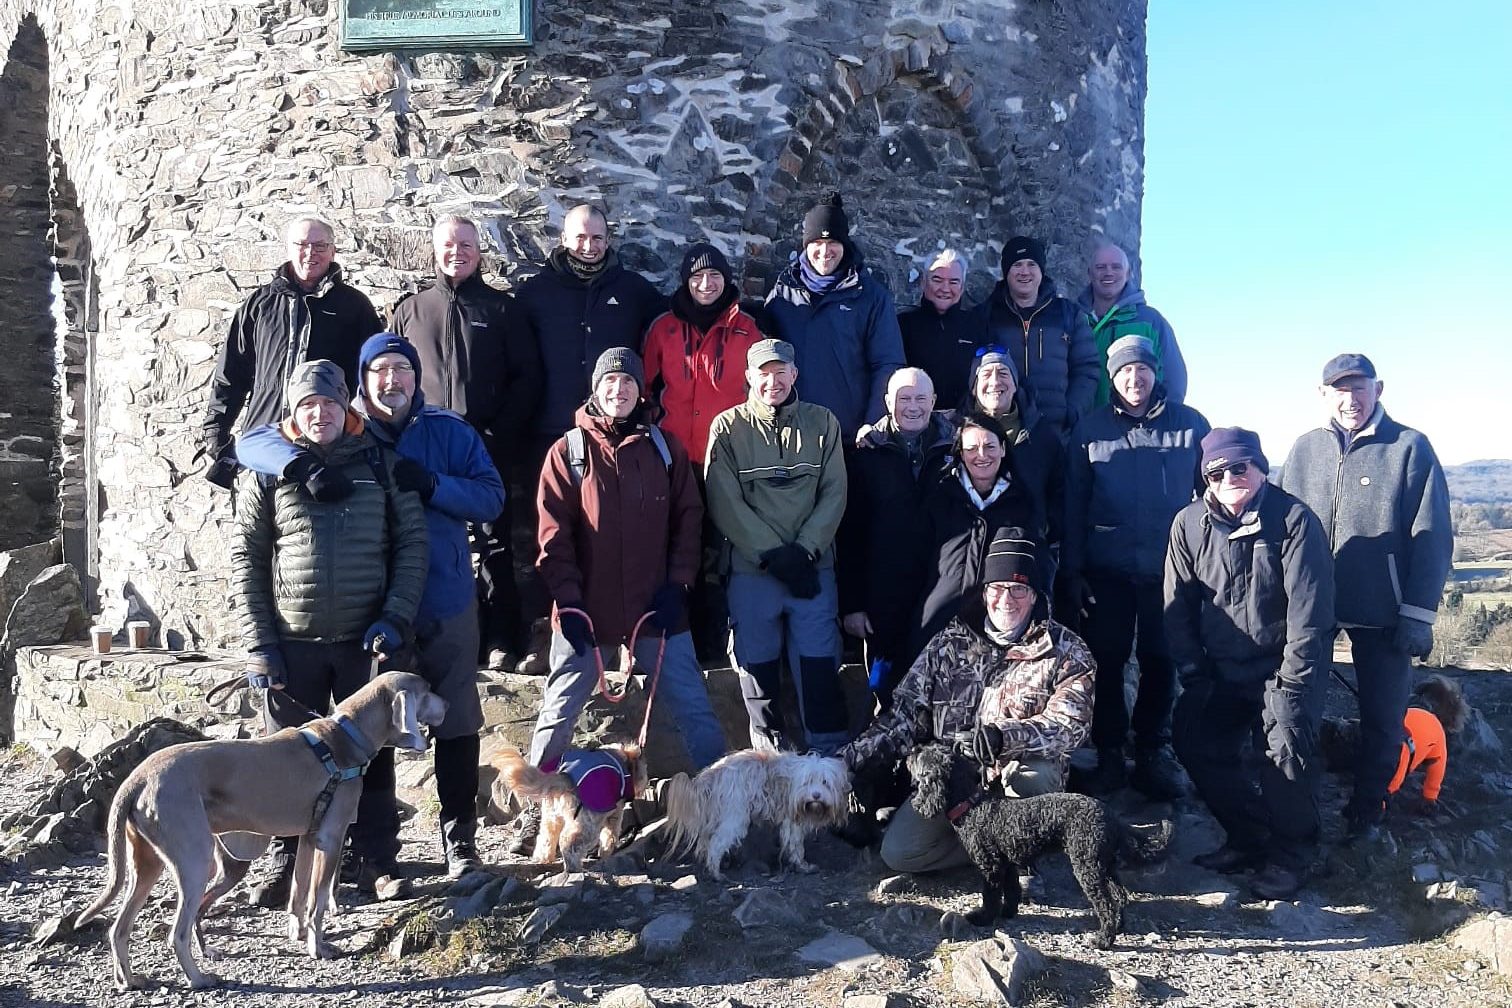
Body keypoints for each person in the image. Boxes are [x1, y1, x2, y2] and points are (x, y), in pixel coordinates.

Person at [237, 334, 506, 880]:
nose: (391, 380)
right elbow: (248, 444)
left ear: (416, 377)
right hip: (363, 614)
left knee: (450, 724)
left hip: (439, 599)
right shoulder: (336, 433)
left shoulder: (445, 434)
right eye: (379, 370)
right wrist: (295, 466)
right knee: (355, 734)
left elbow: (491, 500)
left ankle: (455, 845)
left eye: (401, 370)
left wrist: (434, 485)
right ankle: (330, 857)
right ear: (363, 382)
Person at [230, 359, 428, 906]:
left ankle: (376, 861)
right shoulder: (267, 473)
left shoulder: (382, 465)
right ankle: (287, 863)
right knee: (284, 761)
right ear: (293, 412)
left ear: (348, 408)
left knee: (375, 754)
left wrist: (395, 615)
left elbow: (412, 545)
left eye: (331, 404)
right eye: (308, 406)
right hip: (292, 643)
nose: (321, 414)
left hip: (367, 640)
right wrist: (259, 643)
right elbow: (246, 558)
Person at [514, 347, 728, 849]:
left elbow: (688, 522)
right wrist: (567, 602)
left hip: (657, 610)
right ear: (595, 389)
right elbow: (552, 536)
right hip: (585, 610)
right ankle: (534, 810)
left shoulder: (665, 449)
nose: (619, 391)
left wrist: (679, 586)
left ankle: (721, 800)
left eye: (628, 383)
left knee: (692, 704)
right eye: (610, 383)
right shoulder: (567, 451)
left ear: (640, 391)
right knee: (559, 707)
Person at [841, 529, 1095, 873]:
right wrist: (845, 763)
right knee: (901, 853)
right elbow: (904, 714)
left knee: (1032, 776)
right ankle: (993, 847)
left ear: (1035, 595)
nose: (1007, 599)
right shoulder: (949, 641)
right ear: (985, 591)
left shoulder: (1067, 650)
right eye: (998, 587)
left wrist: (1004, 737)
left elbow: (1069, 727)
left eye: (1019, 588)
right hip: (953, 777)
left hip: (1014, 775)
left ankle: (1021, 858)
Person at [1278, 353, 1452, 841]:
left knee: (1383, 716)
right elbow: (1281, 525)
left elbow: (1432, 533)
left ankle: (1368, 808)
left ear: (1378, 389)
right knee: (1298, 708)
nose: (1350, 399)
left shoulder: (1409, 447)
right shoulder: (1305, 449)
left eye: (1359, 388)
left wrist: (1418, 613)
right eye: (1339, 389)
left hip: (1384, 610)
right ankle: (1300, 807)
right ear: (1323, 395)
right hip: (1313, 604)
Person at [1166, 427, 1334, 900]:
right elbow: (1177, 606)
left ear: (1260, 468)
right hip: (1220, 667)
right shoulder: (1188, 524)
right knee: (1193, 740)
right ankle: (1248, 836)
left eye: (1240, 467)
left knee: (1285, 758)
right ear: (1206, 480)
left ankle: (1291, 856)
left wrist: (1292, 683)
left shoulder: (1294, 520)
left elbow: (1311, 612)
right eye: (1217, 471)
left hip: (1283, 668)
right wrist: (1194, 671)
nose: (1230, 477)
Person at [509, 204, 665, 674]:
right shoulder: (534, 294)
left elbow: (664, 344)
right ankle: (545, 630)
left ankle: (624, 634)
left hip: (615, 436)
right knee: (547, 537)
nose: (589, 247)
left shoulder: (634, 291)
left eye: (597, 238)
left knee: (613, 534)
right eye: (580, 238)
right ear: (563, 238)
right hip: (550, 431)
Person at [389, 215, 543, 672]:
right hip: (424, 452)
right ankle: (434, 641)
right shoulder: (410, 311)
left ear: (480, 251)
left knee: (497, 546)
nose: (457, 252)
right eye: (449, 245)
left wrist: (497, 434)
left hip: (487, 450)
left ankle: (499, 640)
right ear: (434, 250)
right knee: (426, 543)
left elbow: (527, 378)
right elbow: (391, 380)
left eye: (466, 245)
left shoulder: (502, 309)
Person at [1061, 335, 1210, 799]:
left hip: (1172, 571)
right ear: (1112, 376)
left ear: (1155, 372)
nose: (1134, 378)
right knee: (1105, 662)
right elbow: (1072, 504)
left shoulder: (1190, 426)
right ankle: (1108, 753)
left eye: (1142, 369)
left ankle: (1151, 750)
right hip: (1107, 570)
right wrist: (1073, 570)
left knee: (1161, 662)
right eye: (1125, 370)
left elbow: (1212, 497)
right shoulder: (1091, 430)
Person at [705, 338, 849, 753]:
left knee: (820, 670)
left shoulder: (824, 423)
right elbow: (723, 500)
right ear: (749, 377)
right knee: (758, 674)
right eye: (763, 374)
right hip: (754, 572)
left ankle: (829, 770)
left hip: (812, 570)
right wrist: (772, 554)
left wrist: (804, 551)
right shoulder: (728, 427)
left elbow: (835, 493)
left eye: (781, 372)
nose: (773, 381)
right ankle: (769, 764)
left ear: (795, 375)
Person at [202, 217, 382, 488]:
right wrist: (217, 431)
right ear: (288, 248)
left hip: (327, 452)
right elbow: (231, 374)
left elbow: (371, 379)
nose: (311, 253)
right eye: (302, 244)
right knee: (259, 527)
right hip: (265, 443)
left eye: (320, 246)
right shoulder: (259, 305)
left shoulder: (355, 306)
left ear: (333, 251)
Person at [837, 367, 955, 707]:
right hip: (882, 598)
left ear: (933, 401)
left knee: (938, 690)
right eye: (904, 398)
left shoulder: (956, 450)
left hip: (938, 592)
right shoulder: (866, 454)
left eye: (921, 398)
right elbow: (851, 533)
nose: (913, 406)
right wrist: (852, 605)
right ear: (888, 402)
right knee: (884, 691)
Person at [762, 192, 905, 437]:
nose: (825, 251)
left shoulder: (870, 296)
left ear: (844, 245)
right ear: (806, 246)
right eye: (817, 243)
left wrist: (873, 424)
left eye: (833, 243)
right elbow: (763, 361)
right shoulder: (783, 295)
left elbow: (887, 363)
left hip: (849, 437)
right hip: (791, 434)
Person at [914, 413, 1041, 655]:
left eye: (990, 446)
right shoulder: (940, 498)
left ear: (1003, 449)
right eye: (971, 448)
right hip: (938, 621)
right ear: (961, 454)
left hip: (1000, 626)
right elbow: (915, 561)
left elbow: (1034, 567)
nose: (981, 455)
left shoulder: (1023, 503)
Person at [642, 241, 764, 470]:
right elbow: (644, 386)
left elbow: (766, 390)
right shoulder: (663, 327)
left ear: (726, 278)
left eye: (714, 274)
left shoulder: (749, 328)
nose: (706, 284)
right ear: (686, 281)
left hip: (731, 453)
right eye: (697, 276)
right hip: (671, 453)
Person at [983, 235, 1098, 436]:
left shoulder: (1069, 314)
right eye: (1017, 264)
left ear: (1041, 270)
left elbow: (1087, 369)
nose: (1024, 272)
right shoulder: (987, 315)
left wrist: (1072, 412)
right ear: (1006, 271)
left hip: (1058, 432)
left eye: (1031, 264)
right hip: (1003, 432)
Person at [952, 348, 1063, 548]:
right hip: (966, 552)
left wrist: (1044, 531)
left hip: (1025, 552)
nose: (995, 382)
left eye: (1003, 373)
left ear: (1014, 385)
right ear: (973, 388)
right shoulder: (952, 433)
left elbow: (1059, 496)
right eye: (985, 375)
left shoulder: (1040, 436)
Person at [1075, 241, 1187, 406]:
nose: (1108, 273)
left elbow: (1174, 380)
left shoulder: (1151, 321)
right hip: (1082, 427)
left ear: (1128, 273)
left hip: (1136, 428)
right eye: (1101, 267)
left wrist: (1160, 424)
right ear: (1090, 273)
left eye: (1116, 267)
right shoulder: (1073, 319)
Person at [898, 249, 986, 408]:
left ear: (962, 286)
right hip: (917, 420)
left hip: (966, 422)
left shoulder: (977, 326)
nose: (945, 288)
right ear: (924, 282)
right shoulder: (903, 325)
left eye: (953, 282)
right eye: (937, 280)